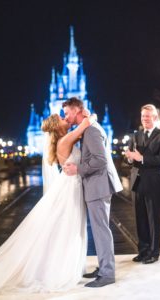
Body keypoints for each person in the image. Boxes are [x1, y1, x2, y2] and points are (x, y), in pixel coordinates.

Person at [0, 113, 95, 299]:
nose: (66, 119)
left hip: (71, 186)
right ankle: (62, 268)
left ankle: (65, 264)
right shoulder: (65, 140)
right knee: (67, 227)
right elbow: (87, 123)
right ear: (57, 127)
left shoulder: (64, 138)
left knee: (69, 227)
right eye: (62, 119)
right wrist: (84, 115)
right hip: (70, 188)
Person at [62, 97, 123, 288]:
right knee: (99, 229)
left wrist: (77, 169)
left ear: (77, 110)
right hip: (97, 185)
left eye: (67, 113)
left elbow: (100, 161)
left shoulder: (91, 131)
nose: (66, 117)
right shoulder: (90, 127)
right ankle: (104, 266)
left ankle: (107, 274)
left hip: (99, 186)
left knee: (101, 229)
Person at [125, 104, 160, 264]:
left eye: (148, 116)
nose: (144, 119)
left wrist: (142, 158)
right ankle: (143, 250)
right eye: (143, 116)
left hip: (155, 183)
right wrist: (130, 157)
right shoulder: (136, 135)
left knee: (154, 220)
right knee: (140, 219)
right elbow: (131, 157)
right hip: (137, 183)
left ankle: (154, 252)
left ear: (155, 117)